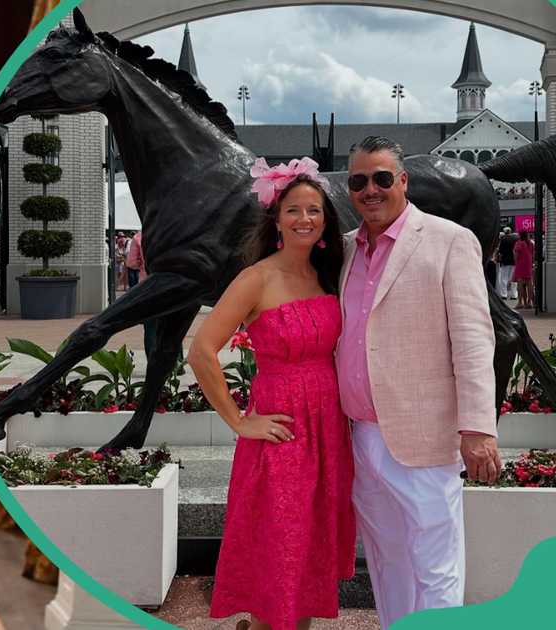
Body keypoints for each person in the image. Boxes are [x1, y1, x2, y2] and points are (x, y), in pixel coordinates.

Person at [337, 136, 499, 630]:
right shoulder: (345, 248)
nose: (370, 189)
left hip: (425, 437)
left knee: (436, 568)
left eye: (382, 178)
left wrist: (478, 428)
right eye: (359, 181)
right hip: (360, 436)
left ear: (403, 181)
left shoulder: (450, 240)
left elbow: (473, 340)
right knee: (387, 564)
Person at [190, 157, 353, 630]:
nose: (305, 218)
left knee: (310, 551)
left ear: (325, 220)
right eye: (293, 210)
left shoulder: (328, 274)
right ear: (276, 219)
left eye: (314, 210)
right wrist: (239, 421)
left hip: (328, 429)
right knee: (282, 548)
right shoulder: (256, 279)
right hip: (283, 430)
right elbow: (201, 351)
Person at [514, 230, 535, 309]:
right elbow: (532, 255)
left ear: (520, 235)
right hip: (528, 264)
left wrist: (516, 262)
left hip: (521, 264)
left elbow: (516, 256)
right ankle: (529, 302)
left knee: (520, 284)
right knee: (529, 283)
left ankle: (520, 302)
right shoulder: (531, 243)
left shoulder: (519, 243)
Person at [495, 227, 517, 300]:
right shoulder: (515, 239)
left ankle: (504, 294)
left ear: (504, 232)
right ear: (510, 231)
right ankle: (514, 295)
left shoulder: (503, 239)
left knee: (504, 278)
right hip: (514, 261)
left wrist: (498, 258)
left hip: (505, 261)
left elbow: (500, 251)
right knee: (513, 278)